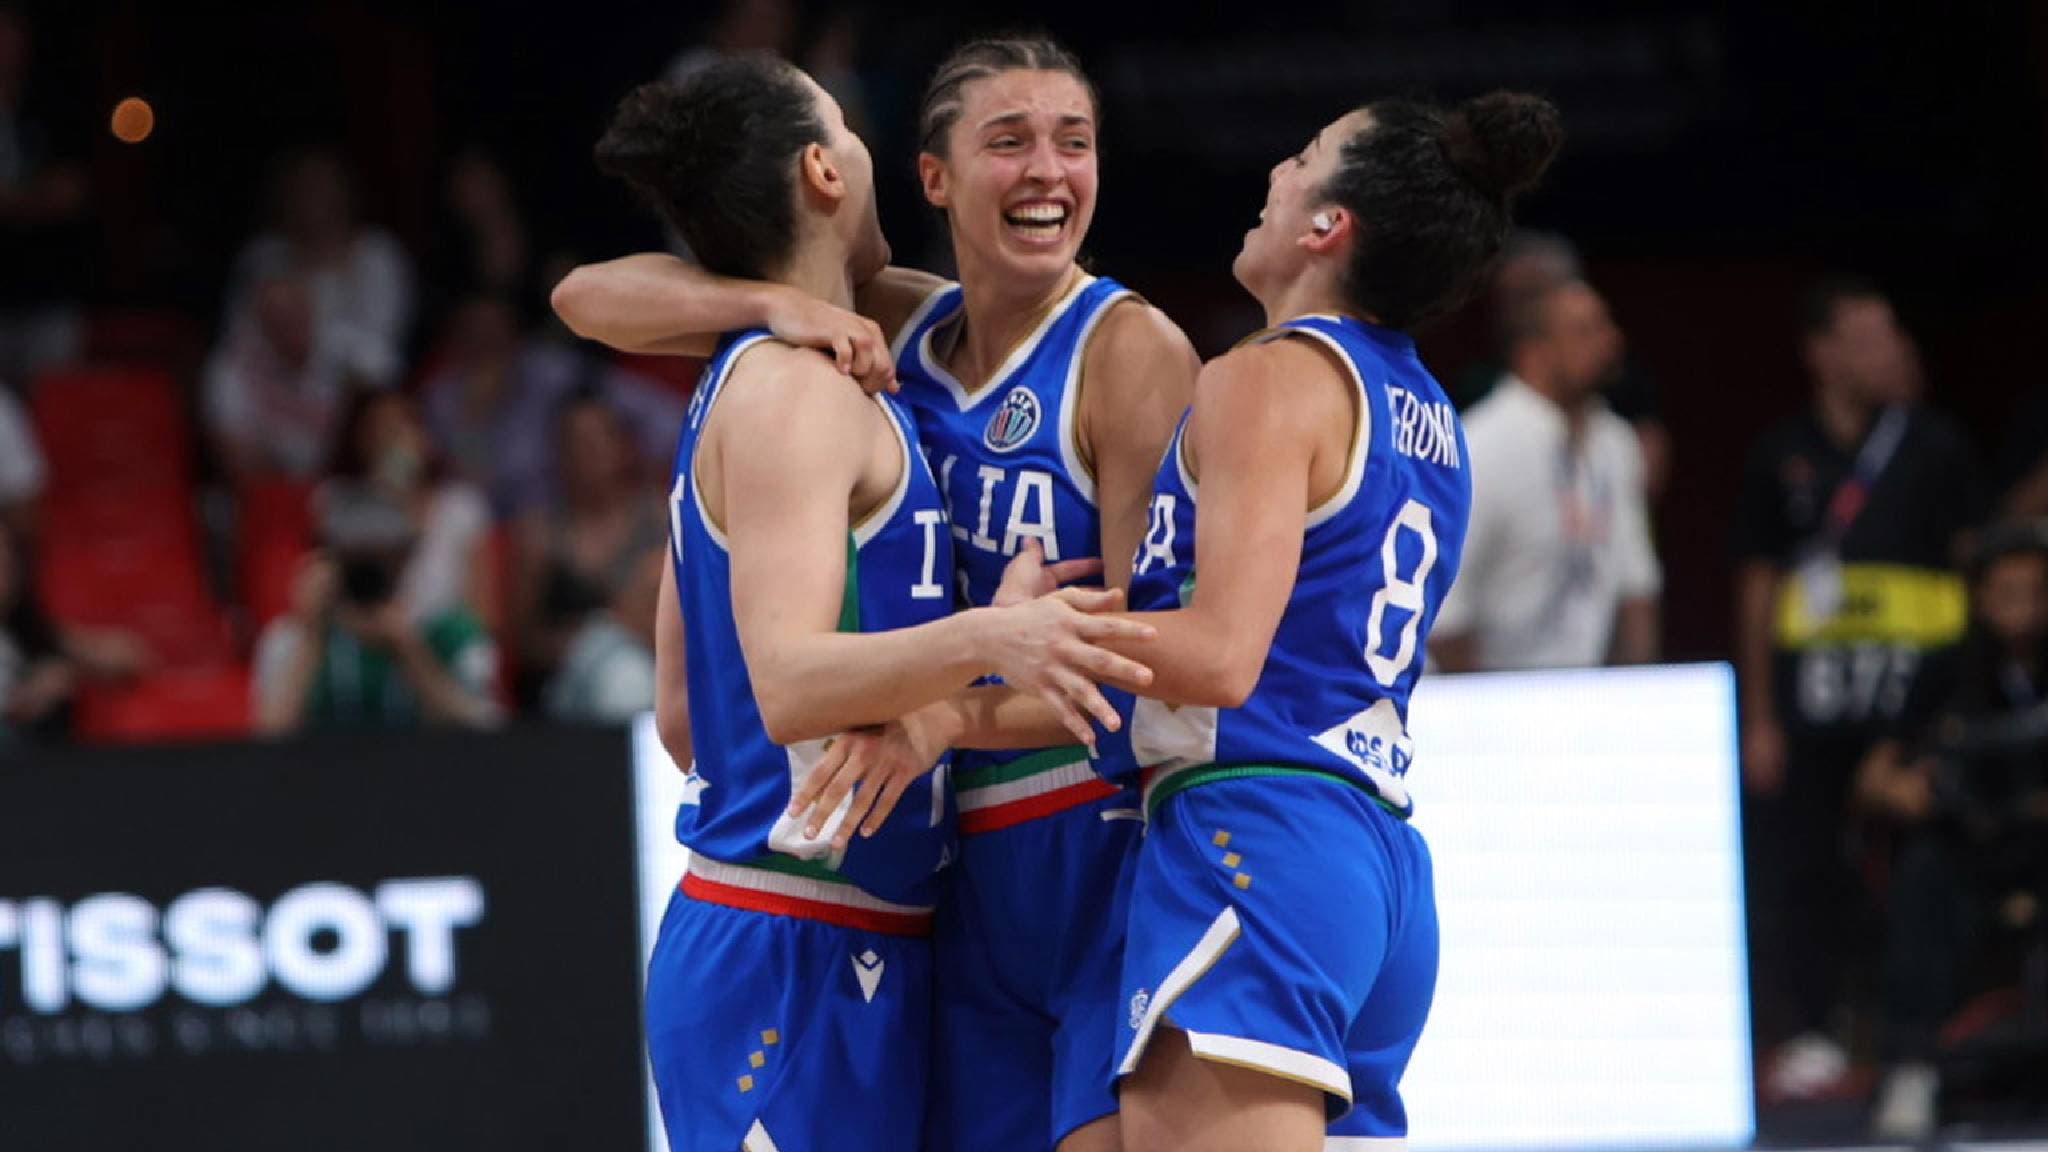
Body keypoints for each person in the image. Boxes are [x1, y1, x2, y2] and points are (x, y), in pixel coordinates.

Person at [554, 36, 1199, 1152]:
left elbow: (1161, 666)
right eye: (1009, 140)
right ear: (905, 175)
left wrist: (945, 703)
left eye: (1074, 140)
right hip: (860, 906)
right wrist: (766, 303)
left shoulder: (1122, 345)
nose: (1048, 169)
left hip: (1052, 853)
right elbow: (582, 295)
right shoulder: (863, 342)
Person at [1078, 92, 1559, 1152]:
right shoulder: (1428, 414)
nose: (1273, 175)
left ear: (1324, 226)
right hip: (1370, 864)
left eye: (1299, 159)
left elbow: (1216, 656)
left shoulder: (1265, 377)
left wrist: (1017, 638)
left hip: (1256, 831)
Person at [1732, 276, 1989, 1098]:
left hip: (1911, 715)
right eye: (1868, 336)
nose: (1889, 350)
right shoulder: (1781, 453)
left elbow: (1970, 573)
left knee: (1917, 876)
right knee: (1804, 874)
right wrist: (1761, 716)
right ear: (1823, 353)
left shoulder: (1938, 448)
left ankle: (1918, 1039)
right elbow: (1758, 589)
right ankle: (1811, 1032)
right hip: (1812, 715)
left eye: (1892, 335)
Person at [1856, 521, 2048, 1139]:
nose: (2020, 606)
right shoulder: (1943, 671)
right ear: (1980, 597)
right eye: (2006, 591)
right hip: (1969, 845)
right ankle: (1913, 1067)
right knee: (1923, 875)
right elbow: (1873, 776)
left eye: (2034, 591)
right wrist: (1902, 790)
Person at [1430, 277, 1661, 671]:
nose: (1610, 342)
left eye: (1606, 326)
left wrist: (1635, 697)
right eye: (1584, 331)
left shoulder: (1616, 443)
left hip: (1587, 697)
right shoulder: (1479, 448)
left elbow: (1636, 588)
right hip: (1487, 698)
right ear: (1531, 352)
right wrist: (1492, 713)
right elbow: (1444, 612)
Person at [250, 486, 501, 733]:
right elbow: (266, 741)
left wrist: (410, 652)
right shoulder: (289, 638)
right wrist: (311, 637)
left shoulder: (451, 633)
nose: (369, 573)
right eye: (356, 558)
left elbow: (487, 733)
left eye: (383, 555)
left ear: (407, 555)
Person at [322, 387, 492, 625]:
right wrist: (389, 495)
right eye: (380, 431)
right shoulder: (339, 499)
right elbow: (340, 595)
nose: (391, 442)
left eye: (400, 428)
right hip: (365, 640)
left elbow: (480, 621)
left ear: (426, 439)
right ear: (360, 442)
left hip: (438, 648)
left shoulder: (461, 505)